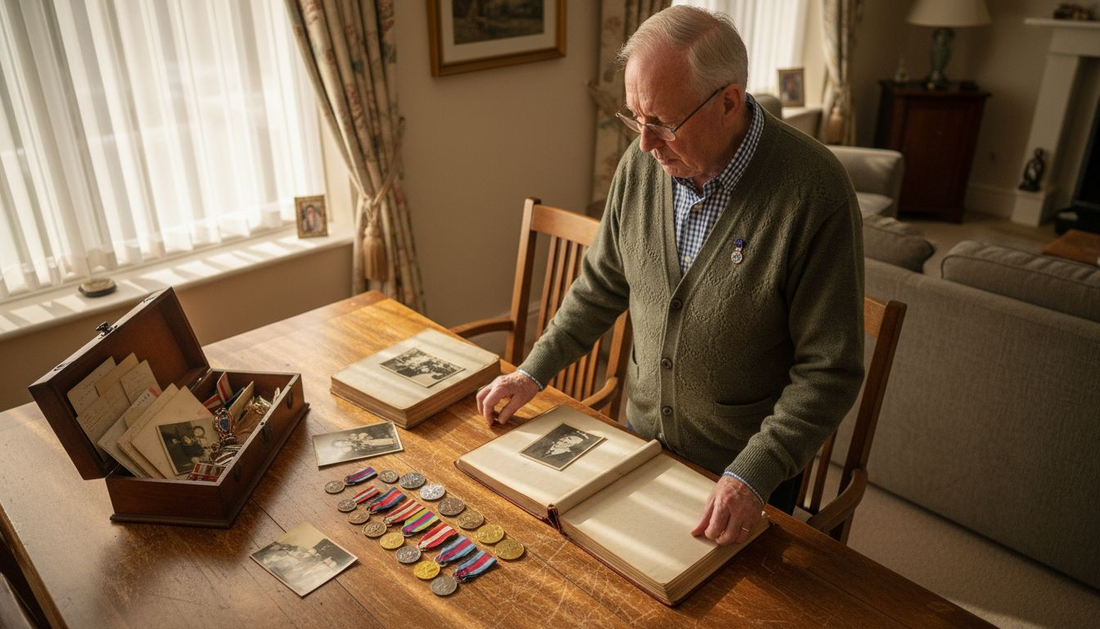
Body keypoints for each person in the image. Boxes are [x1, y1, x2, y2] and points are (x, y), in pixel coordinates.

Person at [477, 5, 864, 547]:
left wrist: (753, 472)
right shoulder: (643, 166)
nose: (644, 142)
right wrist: (532, 372)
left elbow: (830, 372)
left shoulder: (814, 191)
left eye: (661, 121)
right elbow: (600, 286)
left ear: (729, 102)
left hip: (741, 477)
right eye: (635, 116)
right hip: (639, 444)